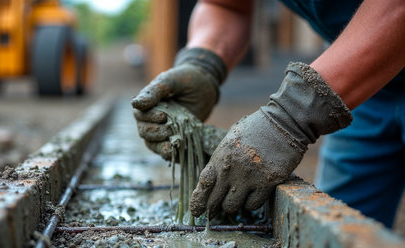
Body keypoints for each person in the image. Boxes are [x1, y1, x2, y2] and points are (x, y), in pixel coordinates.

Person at [132, 0, 405, 228]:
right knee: (343, 237)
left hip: (363, 64)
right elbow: (226, 5)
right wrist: (203, 64)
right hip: (367, 90)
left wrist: (290, 118)